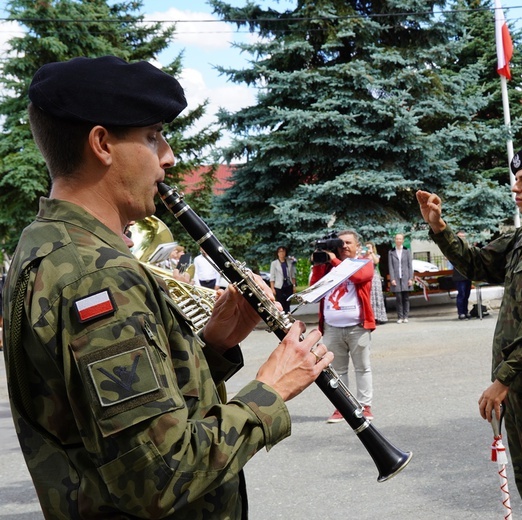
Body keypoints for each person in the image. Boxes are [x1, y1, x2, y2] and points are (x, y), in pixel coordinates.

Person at [1, 55, 333, 519]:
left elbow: (111, 416)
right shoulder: (96, 275)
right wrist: (269, 391)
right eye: (152, 136)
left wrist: (213, 346)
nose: (169, 156)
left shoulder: (46, 243)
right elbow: (160, 475)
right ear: (102, 144)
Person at [417, 146, 522, 519]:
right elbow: (476, 263)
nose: (517, 187)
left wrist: (502, 379)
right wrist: (438, 227)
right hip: (519, 390)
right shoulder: (521, 238)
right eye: (516, 181)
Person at [309, 229, 376, 423]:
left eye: (349, 243)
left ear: (357, 246)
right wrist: (319, 263)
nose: (344, 246)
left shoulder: (364, 263)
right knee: (338, 370)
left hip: (357, 326)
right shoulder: (329, 266)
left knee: (362, 368)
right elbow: (315, 286)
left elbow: (358, 277)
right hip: (331, 328)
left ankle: (365, 407)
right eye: (341, 243)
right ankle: (342, 407)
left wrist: (335, 261)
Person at [388, 233, 413, 323]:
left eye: (400, 239)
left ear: (403, 240)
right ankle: (400, 317)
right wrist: (392, 279)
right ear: (395, 240)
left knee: (406, 298)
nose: (398, 240)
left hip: (406, 277)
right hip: (396, 277)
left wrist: (410, 278)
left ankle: (406, 316)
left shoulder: (407, 251)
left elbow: (410, 266)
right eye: (397, 239)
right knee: (398, 298)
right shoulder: (391, 252)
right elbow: (390, 266)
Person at [361, 242, 388, 323]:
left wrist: (371, 252)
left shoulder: (375, 255)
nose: (368, 248)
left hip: (374, 277)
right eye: (366, 247)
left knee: (376, 296)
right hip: (366, 277)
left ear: (373, 248)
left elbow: (376, 262)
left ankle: (378, 316)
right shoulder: (363, 256)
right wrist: (365, 253)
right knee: (369, 297)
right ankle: (370, 317)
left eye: (369, 247)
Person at [450, 231, 472, 320]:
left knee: (467, 295)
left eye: (463, 236)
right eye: (460, 236)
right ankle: (461, 313)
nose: (462, 238)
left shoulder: (467, 247)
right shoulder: (454, 248)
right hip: (459, 276)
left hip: (467, 275)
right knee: (461, 294)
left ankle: (466, 311)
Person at [269, 245, 297, 313]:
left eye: (283, 251)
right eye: (280, 252)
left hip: (288, 285)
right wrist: (272, 288)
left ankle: (288, 315)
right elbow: (272, 277)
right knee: (281, 303)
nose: (281, 253)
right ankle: (282, 316)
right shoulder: (274, 263)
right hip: (279, 286)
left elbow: (293, 275)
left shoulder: (289, 262)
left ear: (285, 252)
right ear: (277, 253)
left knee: (288, 302)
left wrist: (294, 286)